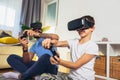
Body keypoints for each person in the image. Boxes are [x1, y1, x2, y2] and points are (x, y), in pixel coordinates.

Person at [42, 15, 99, 80]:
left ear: (92, 28)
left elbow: (76, 65)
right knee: (44, 76)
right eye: (79, 28)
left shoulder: (92, 46)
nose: (81, 30)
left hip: (84, 78)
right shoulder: (74, 42)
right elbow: (58, 43)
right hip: (71, 77)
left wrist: (59, 61)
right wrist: (49, 41)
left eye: (85, 28)